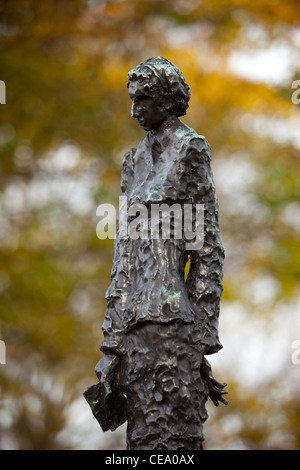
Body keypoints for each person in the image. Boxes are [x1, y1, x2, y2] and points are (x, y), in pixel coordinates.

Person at [84, 57, 227, 450]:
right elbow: (123, 259)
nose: (134, 111)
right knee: (141, 442)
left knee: (172, 441)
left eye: (143, 99)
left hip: (173, 327)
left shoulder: (190, 149)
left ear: (167, 98)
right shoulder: (132, 161)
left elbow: (207, 251)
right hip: (133, 332)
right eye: (132, 100)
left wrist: (199, 338)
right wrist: (112, 344)